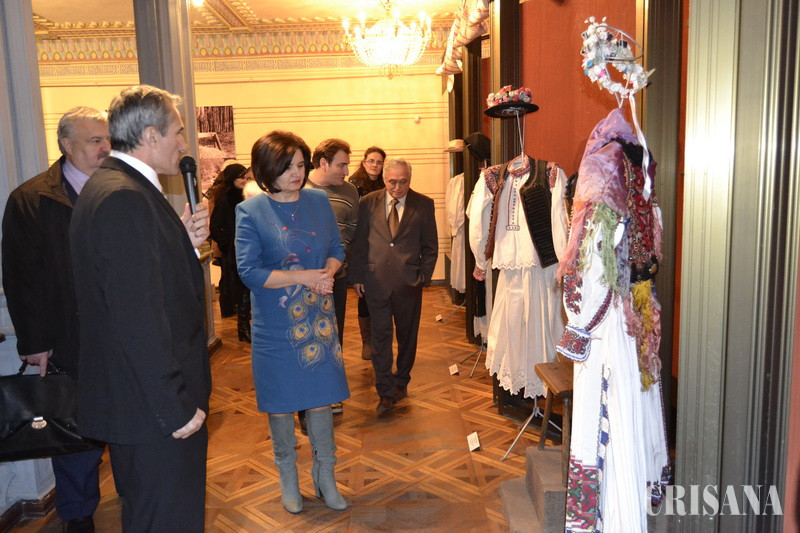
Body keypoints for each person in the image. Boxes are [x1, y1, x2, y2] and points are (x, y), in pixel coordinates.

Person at [69, 85, 212, 531]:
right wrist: (175, 407)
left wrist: (182, 243)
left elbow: (141, 283)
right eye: (178, 132)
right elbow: (136, 319)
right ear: (151, 136)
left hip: (140, 406)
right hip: (154, 413)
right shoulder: (125, 198)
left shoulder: (113, 187)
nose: (184, 144)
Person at [2, 106, 110, 533]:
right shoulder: (31, 199)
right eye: (95, 140)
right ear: (66, 145)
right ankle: (78, 514)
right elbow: (21, 276)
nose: (105, 148)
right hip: (69, 339)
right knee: (74, 432)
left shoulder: (122, 188)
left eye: (108, 139)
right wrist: (34, 342)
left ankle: (136, 496)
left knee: (127, 425)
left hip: (121, 335)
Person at [235, 130, 350, 513]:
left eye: (300, 165)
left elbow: (336, 248)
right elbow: (249, 271)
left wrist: (328, 272)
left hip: (318, 319)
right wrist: (305, 277)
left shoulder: (318, 200)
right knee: (281, 403)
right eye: (287, 167)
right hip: (274, 327)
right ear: (268, 170)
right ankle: (288, 476)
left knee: (321, 399)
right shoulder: (251, 210)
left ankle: (325, 474)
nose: (296, 173)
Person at [350, 158, 438, 413]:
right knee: (380, 338)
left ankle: (401, 381)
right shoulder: (368, 202)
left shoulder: (423, 204)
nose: (397, 187)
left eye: (403, 182)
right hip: (374, 282)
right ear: (384, 179)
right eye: (392, 182)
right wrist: (357, 276)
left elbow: (430, 246)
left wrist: (423, 277)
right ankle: (385, 391)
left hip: (409, 283)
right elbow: (359, 242)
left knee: (407, 336)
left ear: (410, 179)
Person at [306, 138, 357, 348]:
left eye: (347, 165)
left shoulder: (350, 191)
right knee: (307, 335)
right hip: (303, 278)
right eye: (341, 165)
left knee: (335, 335)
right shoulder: (299, 187)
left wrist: (335, 262)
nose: (346, 171)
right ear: (323, 163)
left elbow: (351, 230)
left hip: (337, 276)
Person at [347, 146, 386, 360]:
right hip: (362, 242)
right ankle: (367, 341)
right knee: (364, 292)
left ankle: (380, 339)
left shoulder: (387, 183)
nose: (375, 165)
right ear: (364, 162)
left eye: (379, 162)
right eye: (371, 161)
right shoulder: (353, 185)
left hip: (382, 243)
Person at [210, 162, 251, 341]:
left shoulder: (248, 196)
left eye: (246, 177)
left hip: (250, 249)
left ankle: (246, 326)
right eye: (241, 177)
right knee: (241, 290)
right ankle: (243, 328)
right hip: (235, 253)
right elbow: (215, 228)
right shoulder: (224, 198)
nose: (244, 180)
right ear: (232, 178)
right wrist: (228, 244)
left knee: (248, 288)